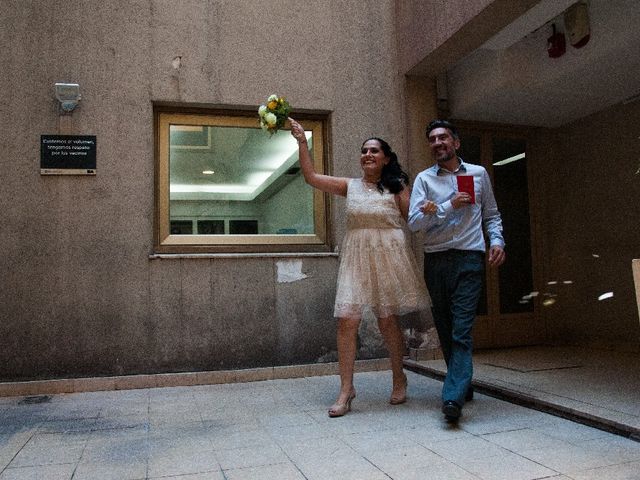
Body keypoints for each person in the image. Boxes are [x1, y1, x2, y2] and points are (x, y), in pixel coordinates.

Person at [289, 117, 430, 417]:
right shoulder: (349, 186)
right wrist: (302, 141)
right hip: (356, 257)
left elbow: (415, 222)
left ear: (386, 158)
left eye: (374, 151)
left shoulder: (398, 187)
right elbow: (311, 177)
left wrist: (432, 207)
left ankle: (398, 377)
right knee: (347, 320)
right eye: (364, 150)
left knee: (387, 321)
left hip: (389, 258)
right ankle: (346, 389)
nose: (367, 154)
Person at [408, 119, 505, 422]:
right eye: (433, 139)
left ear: (456, 143)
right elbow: (414, 224)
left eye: (443, 138)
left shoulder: (478, 174)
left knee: (462, 329)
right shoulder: (424, 180)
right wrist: (447, 205)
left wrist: (497, 240)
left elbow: (491, 214)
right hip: (436, 260)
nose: (438, 143)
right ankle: (462, 383)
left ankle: (452, 398)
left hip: (469, 258)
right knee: (446, 326)